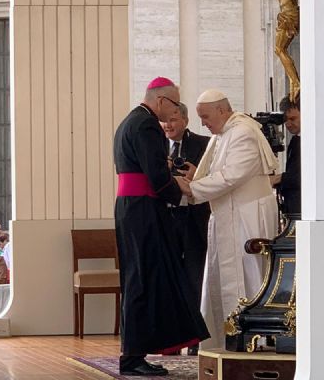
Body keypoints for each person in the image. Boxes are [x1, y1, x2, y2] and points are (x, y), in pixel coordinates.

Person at [113, 77, 209, 376]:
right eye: (175, 103)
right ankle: (132, 358)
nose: (176, 109)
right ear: (161, 101)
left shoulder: (131, 120)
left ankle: (134, 354)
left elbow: (147, 168)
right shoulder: (147, 124)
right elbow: (156, 178)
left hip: (132, 210)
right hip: (143, 211)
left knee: (139, 280)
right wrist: (181, 189)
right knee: (142, 281)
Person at [186, 89, 279, 350]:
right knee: (221, 280)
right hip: (228, 215)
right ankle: (224, 343)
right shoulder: (225, 133)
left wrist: (192, 189)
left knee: (248, 279)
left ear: (222, 110)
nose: (202, 123)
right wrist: (196, 180)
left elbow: (231, 176)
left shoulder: (243, 133)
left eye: (205, 117)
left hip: (247, 219)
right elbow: (218, 174)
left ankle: (250, 342)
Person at [161, 103, 212, 356]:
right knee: (170, 279)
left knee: (195, 278)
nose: (168, 125)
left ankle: (194, 339)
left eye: (173, 120)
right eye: (165, 121)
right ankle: (170, 340)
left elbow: (215, 179)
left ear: (185, 119)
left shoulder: (204, 143)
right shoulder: (156, 146)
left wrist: (196, 178)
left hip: (194, 219)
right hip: (167, 219)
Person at [270, 95, 301, 216]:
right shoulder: (295, 140)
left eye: (292, 119)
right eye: (285, 120)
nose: (287, 124)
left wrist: (278, 178)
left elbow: (303, 176)